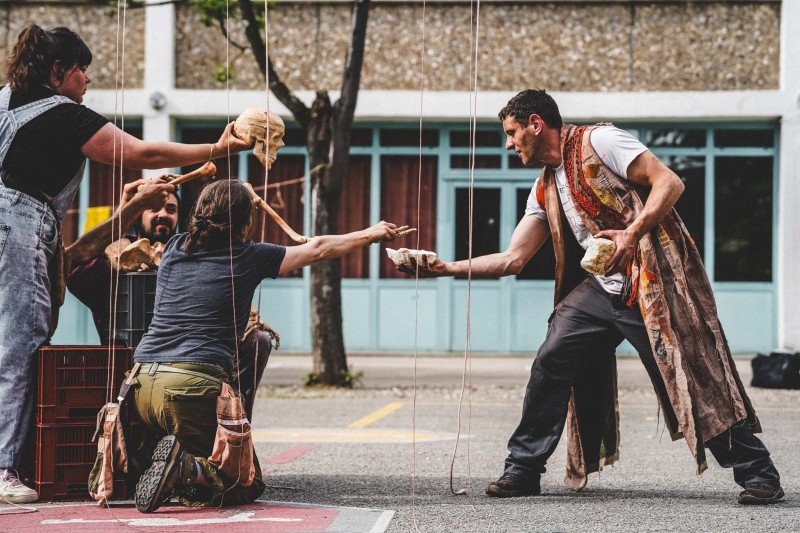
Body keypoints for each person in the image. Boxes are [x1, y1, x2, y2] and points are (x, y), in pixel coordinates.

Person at [399, 89, 784, 505]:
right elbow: (514, 258)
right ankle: (523, 470)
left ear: (535, 124)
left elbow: (668, 182)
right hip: (602, 290)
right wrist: (446, 268)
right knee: (551, 359)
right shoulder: (545, 186)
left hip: (651, 283)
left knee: (688, 374)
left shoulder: (600, 141)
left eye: (512, 133)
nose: (509, 144)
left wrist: (631, 233)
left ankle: (758, 474)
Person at [0, 24, 251, 504]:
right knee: (18, 347)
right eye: (82, 71)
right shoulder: (65, 116)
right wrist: (222, 148)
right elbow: (142, 152)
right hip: (19, 227)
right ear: (59, 71)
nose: (87, 81)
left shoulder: (5, 100)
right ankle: (5, 466)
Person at [130, 179, 401, 512]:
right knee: (245, 484)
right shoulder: (250, 256)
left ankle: (174, 465)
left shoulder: (173, 247)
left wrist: (233, 193)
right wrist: (370, 234)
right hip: (190, 387)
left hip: (141, 383)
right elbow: (316, 249)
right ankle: (188, 469)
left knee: (195, 450)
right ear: (246, 221)